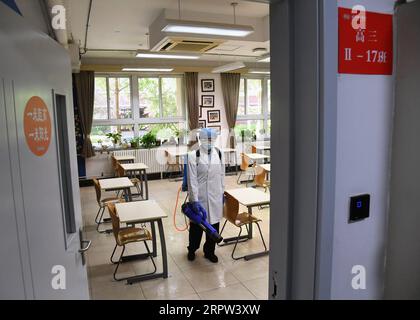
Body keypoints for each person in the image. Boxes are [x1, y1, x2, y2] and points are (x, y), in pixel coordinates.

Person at [187, 128, 225, 263]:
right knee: (197, 228)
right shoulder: (193, 155)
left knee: (213, 226)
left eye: (211, 139)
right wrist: (194, 201)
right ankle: (192, 249)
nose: (209, 142)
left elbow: (222, 175)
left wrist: (222, 193)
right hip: (200, 197)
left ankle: (209, 252)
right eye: (206, 139)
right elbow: (192, 180)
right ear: (200, 139)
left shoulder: (219, 153)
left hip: (215, 196)